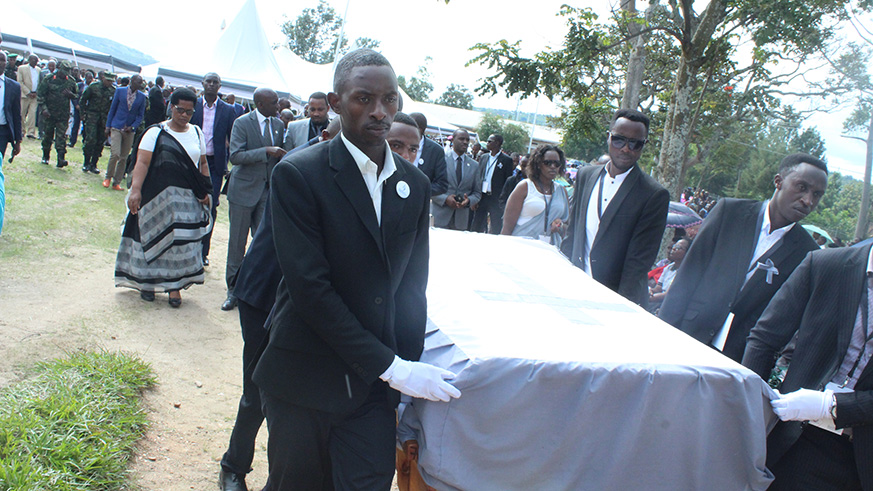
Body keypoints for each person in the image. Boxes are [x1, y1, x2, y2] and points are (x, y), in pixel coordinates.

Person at [252, 49, 459, 490]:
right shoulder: (300, 174)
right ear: (336, 101)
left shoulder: (414, 185)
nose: (380, 112)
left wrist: (402, 374)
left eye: (390, 99)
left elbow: (409, 289)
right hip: (306, 377)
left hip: (370, 390)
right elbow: (311, 290)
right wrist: (393, 367)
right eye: (364, 98)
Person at [218, 118, 343, 491]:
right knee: (259, 391)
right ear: (325, 138)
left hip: (299, 303)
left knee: (290, 403)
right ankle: (233, 467)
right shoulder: (300, 170)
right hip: (264, 294)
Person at [659, 153, 827, 362]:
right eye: (802, 187)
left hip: (736, 356)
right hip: (687, 332)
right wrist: (663, 330)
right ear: (779, 181)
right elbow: (689, 273)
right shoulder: (730, 212)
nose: (808, 200)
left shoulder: (806, 251)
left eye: (817, 194)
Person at [742, 243, 873, 489]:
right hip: (797, 439)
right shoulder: (825, 264)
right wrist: (752, 413)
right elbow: (764, 339)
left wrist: (830, 406)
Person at [561, 108, 669, 307]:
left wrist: (616, 306)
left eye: (635, 144)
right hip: (574, 288)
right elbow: (572, 233)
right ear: (609, 138)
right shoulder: (586, 175)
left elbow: (638, 262)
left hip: (613, 298)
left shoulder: (653, 194)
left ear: (643, 146)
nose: (626, 149)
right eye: (619, 140)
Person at [114, 88, 212, 307]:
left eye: (189, 111)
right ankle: (147, 284)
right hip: (156, 198)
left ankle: (174, 288)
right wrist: (136, 190)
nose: (184, 115)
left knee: (180, 244)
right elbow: (142, 162)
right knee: (152, 237)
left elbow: (203, 163)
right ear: (171, 107)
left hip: (187, 200)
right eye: (180, 110)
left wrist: (207, 190)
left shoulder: (196, 133)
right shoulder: (155, 132)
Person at [223, 87, 288, 311]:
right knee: (237, 243)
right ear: (260, 104)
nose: (278, 106)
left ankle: (252, 289)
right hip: (243, 191)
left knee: (261, 244)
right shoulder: (242, 123)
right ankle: (232, 290)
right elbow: (235, 156)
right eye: (274, 102)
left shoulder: (279, 125)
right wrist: (266, 151)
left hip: (266, 192)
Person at [189, 72, 237, 266]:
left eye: (214, 82)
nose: (210, 85)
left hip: (215, 165)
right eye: (208, 81)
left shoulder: (227, 110)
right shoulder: (193, 105)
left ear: (219, 86)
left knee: (210, 205)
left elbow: (232, 137)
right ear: (202, 83)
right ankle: (186, 248)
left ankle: (202, 252)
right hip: (191, 161)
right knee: (188, 202)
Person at [501, 144, 570, 247]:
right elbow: (507, 228)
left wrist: (560, 225)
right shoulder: (525, 187)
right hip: (520, 248)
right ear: (538, 164)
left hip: (549, 251)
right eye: (547, 163)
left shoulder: (562, 191)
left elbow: (568, 226)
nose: (552, 167)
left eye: (557, 163)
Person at [431, 128, 481, 230]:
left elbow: (477, 193)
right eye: (462, 139)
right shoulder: (440, 159)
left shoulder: (474, 165)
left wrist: (468, 201)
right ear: (453, 140)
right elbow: (429, 186)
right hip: (439, 217)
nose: (465, 142)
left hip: (461, 220)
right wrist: (445, 199)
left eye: (467, 140)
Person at [104, 74, 146, 190]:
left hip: (129, 131)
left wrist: (133, 127)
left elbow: (140, 115)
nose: (140, 84)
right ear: (131, 81)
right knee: (115, 154)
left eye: (141, 82)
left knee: (124, 157)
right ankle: (108, 177)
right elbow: (112, 109)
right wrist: (108, 125)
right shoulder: (120, 91)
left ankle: (116, 182)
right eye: (138, 82)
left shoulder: (142, 97)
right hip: (117, 126)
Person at [37, 60, 78, 168]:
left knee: (61, 137)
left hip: (63, 114)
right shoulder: (49, 79)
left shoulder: (71, 81)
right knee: (48, 136)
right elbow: (41, 94)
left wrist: (71, 95)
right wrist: (44, 109)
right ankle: (45, 156)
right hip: (49, 113)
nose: (65, 74)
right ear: (59, 68)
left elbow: (77, 95)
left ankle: (61, 159)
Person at [472, 133, 514, 234]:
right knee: (476, 224)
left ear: (497, 143)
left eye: (490, 141)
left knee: (496, 225)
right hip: (482, 196)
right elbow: (479, 176)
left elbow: (508, 181)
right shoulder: (484, 157)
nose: (487, 143)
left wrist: (503, 199)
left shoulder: (506, 160)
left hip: (496, 198)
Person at [0, 51, 22, 236]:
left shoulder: (13, 86)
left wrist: (18, 141)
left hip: (2, 132)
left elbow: (16, 114)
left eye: (3, 60)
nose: (0, 63)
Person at [78, 71, 116, 174]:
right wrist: (82, 114)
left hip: (104, 119)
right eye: (108, 80)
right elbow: (83, 100)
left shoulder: (113, 91)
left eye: (111, 81)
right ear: (103, 78)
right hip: (92, 116)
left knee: (100, 141)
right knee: (90, 139)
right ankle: (86, 162)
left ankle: (94, 164)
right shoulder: (93, 87)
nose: (109, 83)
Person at [407, 112, 448, 196]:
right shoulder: (397, 144)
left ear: (420, 129)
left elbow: (441, 185)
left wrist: (418, 191)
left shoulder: (436, 151)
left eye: (408, 126)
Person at [648, 238, 690, 311]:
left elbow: (668, 295)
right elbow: (658, 288)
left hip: (670, 305)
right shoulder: (668, 268)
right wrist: (650, 291)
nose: (673, 249)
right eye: (674, 246)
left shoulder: (686, 272)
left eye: (678, 248)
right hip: (658, 301)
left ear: (687, 253)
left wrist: (648, 298)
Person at [17, 54, 40, 139]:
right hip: (25, 95)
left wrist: (35, 92)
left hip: (34, 96)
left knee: (32, 114)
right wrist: (28, 92)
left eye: (36, 61)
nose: (35, 62)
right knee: (22, 113)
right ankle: (21, 131)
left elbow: (39, 82)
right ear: (29, 60)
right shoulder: (21, 68)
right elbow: (20, 81)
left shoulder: (38, 70)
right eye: (34, 60)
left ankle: (31, 132)